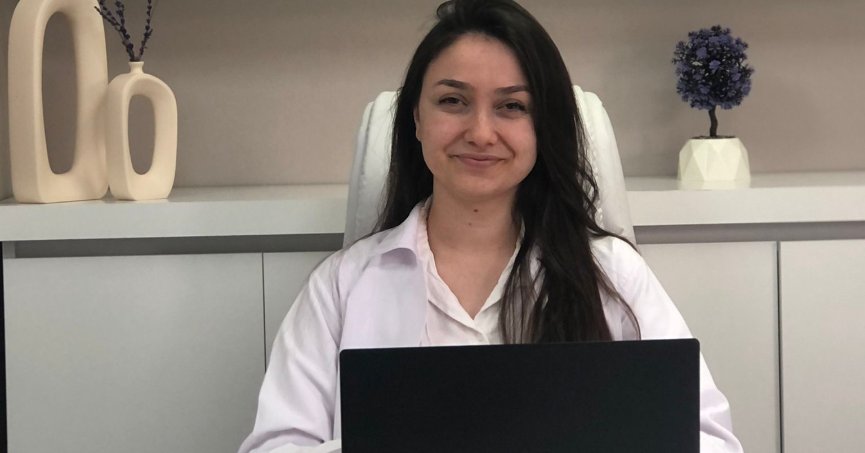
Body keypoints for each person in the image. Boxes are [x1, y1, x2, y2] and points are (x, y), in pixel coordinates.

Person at [239, 1, 743, 452]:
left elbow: (710, 441)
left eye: (511, 107)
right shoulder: (342, 285)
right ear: (416, 119)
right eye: (453, 101)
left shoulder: (611, 273)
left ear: (542, 128)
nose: (481, 133)